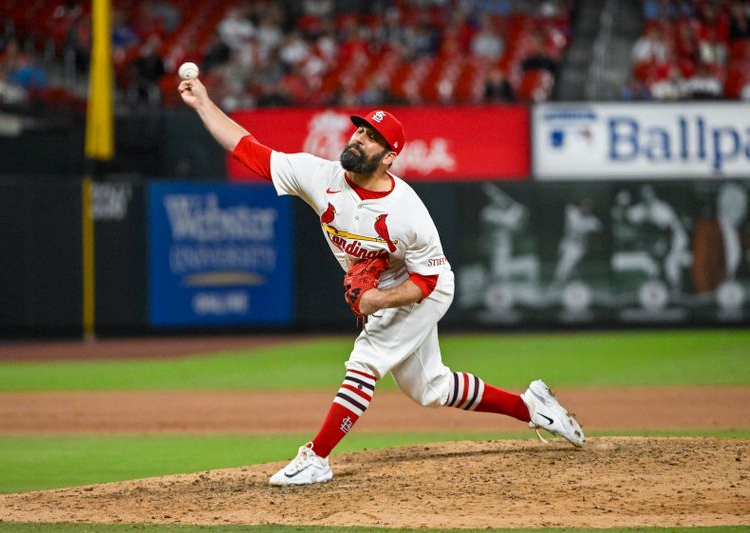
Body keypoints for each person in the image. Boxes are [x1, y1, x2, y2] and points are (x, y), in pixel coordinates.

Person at [178, 77, 585, 486]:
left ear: (389, 156)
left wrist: (378, 300)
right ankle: (531, 406)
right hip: (389, 287)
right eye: (359, 130)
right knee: (431, 389)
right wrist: (204, 105)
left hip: (423, 286)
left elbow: (427, 281)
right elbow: (247, 148)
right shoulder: (319, 176)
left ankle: (316, 456)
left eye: (372, 138)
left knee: (366, 359)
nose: (358, 139)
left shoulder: (407, 213)